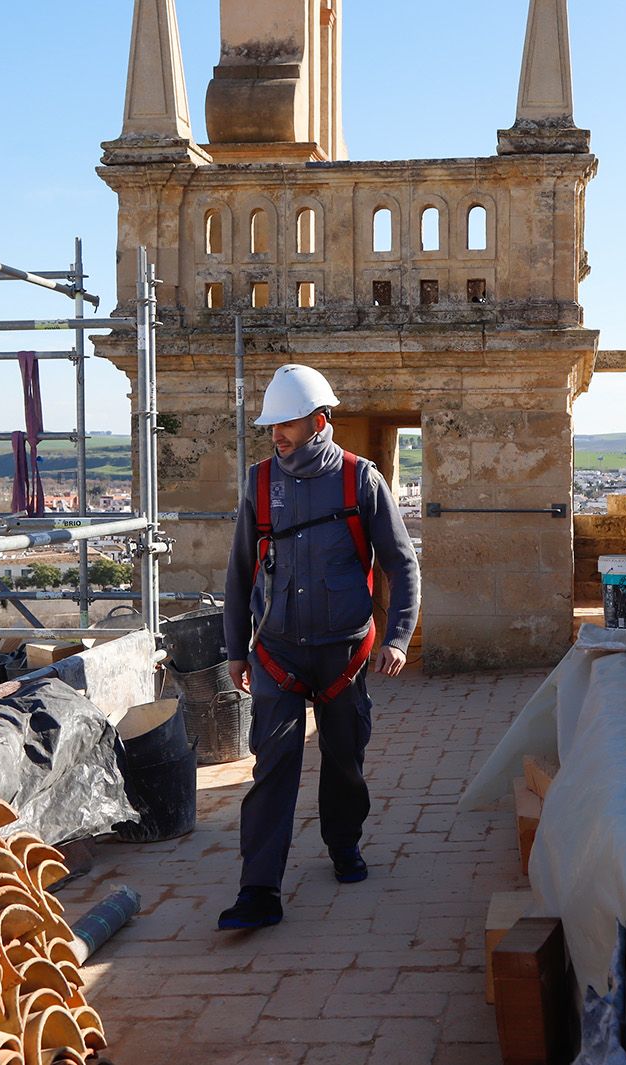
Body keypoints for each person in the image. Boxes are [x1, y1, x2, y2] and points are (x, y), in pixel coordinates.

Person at [217, 364, 420, 930]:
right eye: (272, 424)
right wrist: (236, 650)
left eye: (287, 422)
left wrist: (397, 636)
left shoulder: (361, 481)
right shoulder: (260, 484)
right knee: (273, 767)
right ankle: (258, 890)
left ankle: (344, 843)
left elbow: (403, 568)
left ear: (319, 419)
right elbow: (238, 574)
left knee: (345, 762)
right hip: (277, 654)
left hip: (345, 656)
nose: (276, 433)